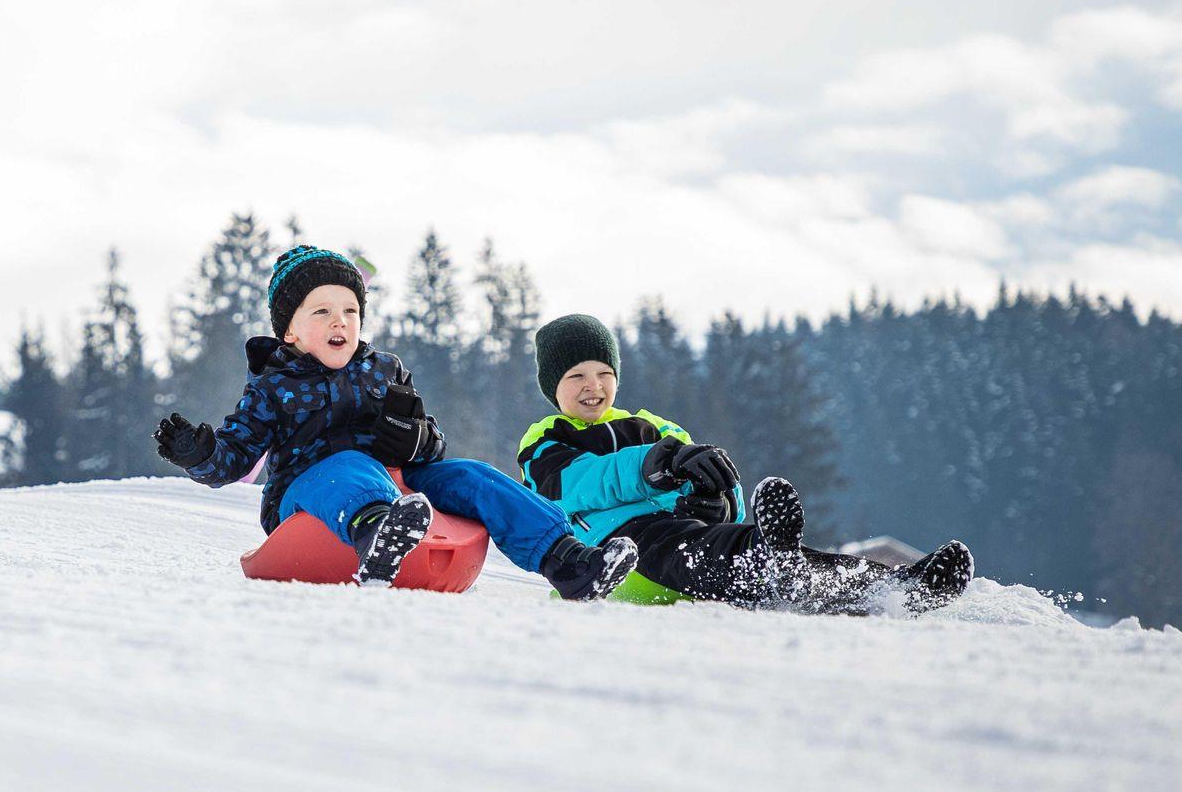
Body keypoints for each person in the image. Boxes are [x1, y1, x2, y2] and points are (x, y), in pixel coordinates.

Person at [152, 246, 638, 595]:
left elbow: (434, 443)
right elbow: (233, 459)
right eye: (322, 311)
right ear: (290, 332)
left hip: (401, 485)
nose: (340, 321)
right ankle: (377, 534)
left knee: (472, 475)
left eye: (350, 310)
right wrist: (200, 453)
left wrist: (415, 440)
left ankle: (567, 560)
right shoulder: (272, 387)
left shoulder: (384, 370)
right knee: (348, 463)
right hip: (309, 498)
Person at [518, 313, 974, 613]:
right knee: (704, 551)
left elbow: (705, 482)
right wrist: (655, 466)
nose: (593, 385)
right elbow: (577, 484)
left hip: (684, 533)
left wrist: (715, 495)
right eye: (576, 376)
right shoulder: (545, 440)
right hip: (616, 555)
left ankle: (893, 589)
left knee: (750, 545)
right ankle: (770, 567)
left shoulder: (654, 426)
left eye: (604, 373)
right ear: (552, 385)